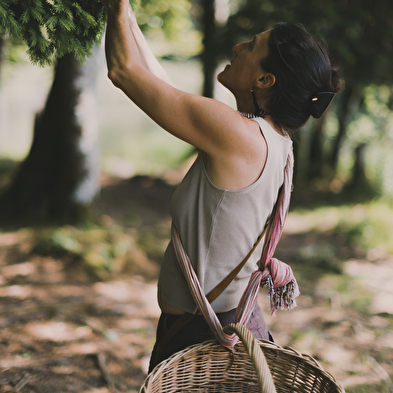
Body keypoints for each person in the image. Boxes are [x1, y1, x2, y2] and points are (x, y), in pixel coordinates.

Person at [102, 0, 344, 373]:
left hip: (200, 339)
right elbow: (161, 87)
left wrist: (115, 8)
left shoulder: (237, 135)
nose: (237, 48)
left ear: (265, 81)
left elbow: (124, 71)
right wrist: (127, 14)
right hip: (228, 322)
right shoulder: (274, 141)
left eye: (250, 47)